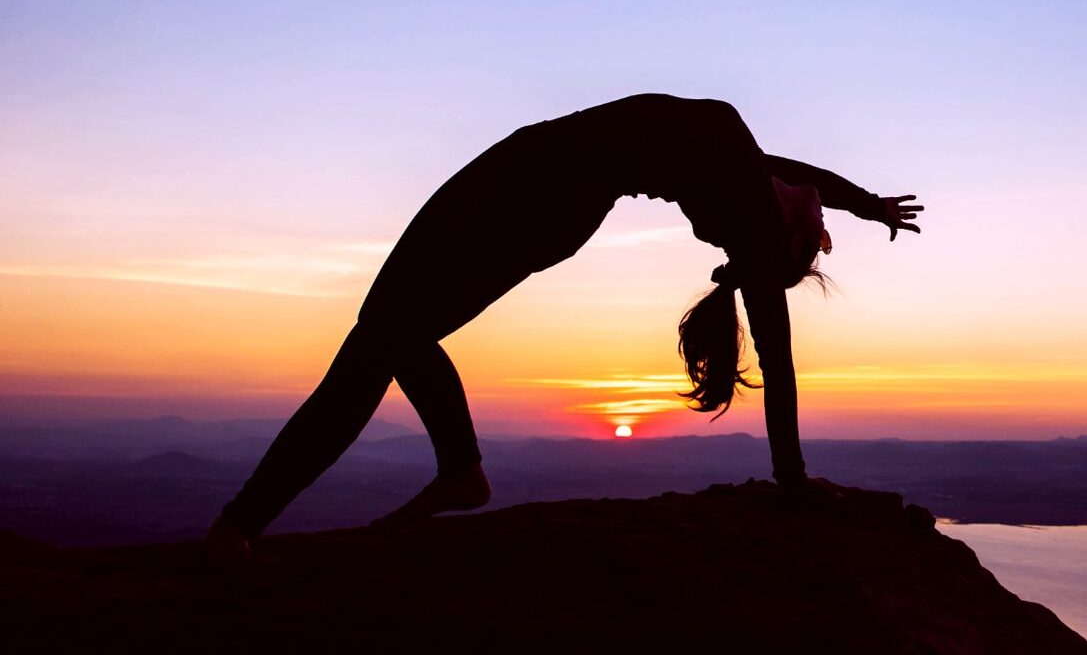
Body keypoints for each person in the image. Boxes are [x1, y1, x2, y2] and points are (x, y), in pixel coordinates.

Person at [205, 93, 922, 561]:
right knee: (389, 331)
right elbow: (791, 169)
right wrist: (864, 203)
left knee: (383, 334)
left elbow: (780, 356)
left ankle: (243, 524)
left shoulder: (751, 207)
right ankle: (453, 474)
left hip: (541, 191)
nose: (813, 206)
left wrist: (791, 477)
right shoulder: (742, 169)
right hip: (531, 169)